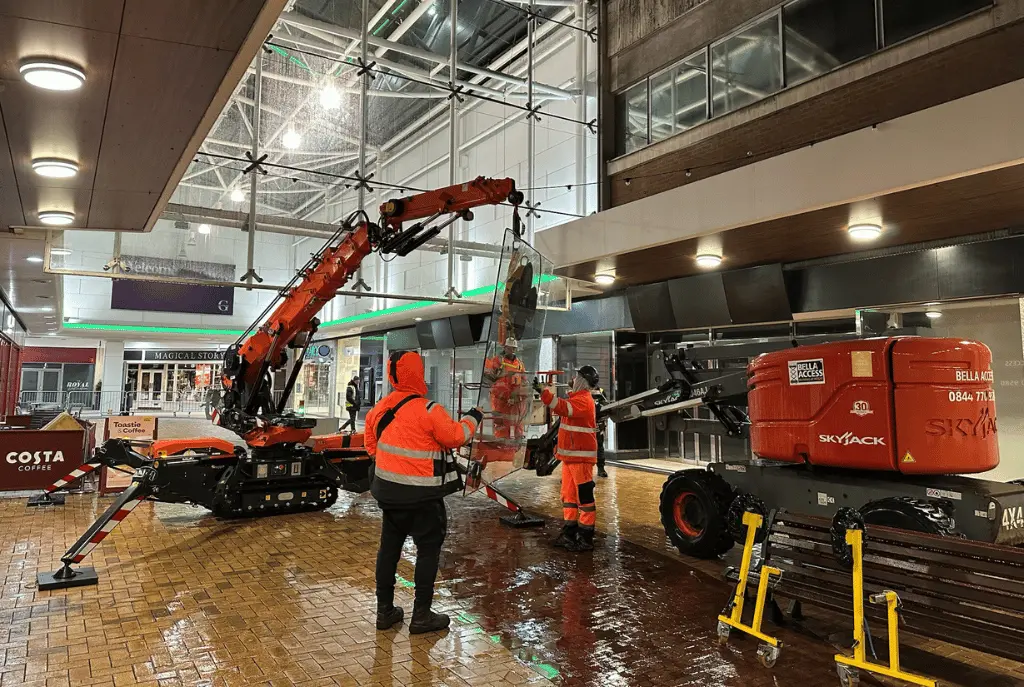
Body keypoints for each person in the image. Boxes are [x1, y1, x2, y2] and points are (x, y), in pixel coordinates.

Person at [365, 350, 483, 634]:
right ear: (419, 373)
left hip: (390, 497)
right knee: (428, 552)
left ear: (392, 374)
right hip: (424, 499)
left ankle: (384, 612)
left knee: (388, 551)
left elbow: (371, 449)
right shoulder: (430, 410)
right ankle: (421, 615)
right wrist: (474, 417)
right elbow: (457, 436)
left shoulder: (379, 409)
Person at [534, 365, 600, 552]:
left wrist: (543, 392)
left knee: (584, 498)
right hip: (571, 457)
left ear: (583, 381)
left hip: (581, 458)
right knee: (569, 496)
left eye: (577, 376)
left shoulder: (583, 401)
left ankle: (585, 537)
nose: (573, 378)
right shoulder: (578, 399)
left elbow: (562, 407)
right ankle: (569, 532)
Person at [484, 337, 527, 443]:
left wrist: (520, 394)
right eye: (509, 348)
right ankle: (500, 442)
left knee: (517, 421)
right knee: (501, 423)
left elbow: (524, 380)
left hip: (514, 399)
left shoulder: (520, 364)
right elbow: (487, 376)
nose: (511, 350)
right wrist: (497, 376)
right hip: (500, 399)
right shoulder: (498, 361)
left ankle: (517, 441)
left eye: (513, 348)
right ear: (505, 348)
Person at [591, 384, 608, 478]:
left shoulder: (600, 391)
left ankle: (601, 468)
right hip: (585, 423)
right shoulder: (582, 391)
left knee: (599, 446)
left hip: (598, 423)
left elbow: (605, 405)